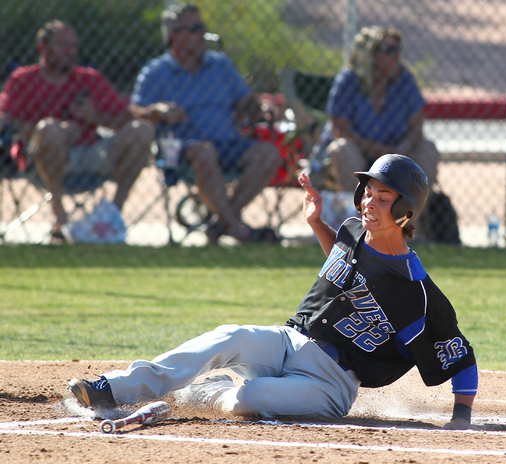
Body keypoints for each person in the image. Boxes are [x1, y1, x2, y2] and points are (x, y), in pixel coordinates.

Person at [67, 153, 478, 430]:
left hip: (331, 382)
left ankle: (204, 395)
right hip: (290, 340)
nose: (369, 201)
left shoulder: (416, 292)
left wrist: (462, 415)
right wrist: (318, 224)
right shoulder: (353, 233)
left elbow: (458, 354)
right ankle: (113, 389)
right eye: (368, 192)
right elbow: (346, 263)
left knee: (250, 397)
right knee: (231, 334)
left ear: (406, 211)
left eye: (383, 196)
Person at [128, 3, 281, 244]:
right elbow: (135, 111)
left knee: (269, 153)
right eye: (195, 28)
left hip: (229, 142)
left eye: (203, 27)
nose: (203, 34)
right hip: (184, 146)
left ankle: (221, 224)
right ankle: (238, 230)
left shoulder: (219, 64)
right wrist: (158, 110)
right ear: (174, 36)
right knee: (204, 152)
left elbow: (244, 103)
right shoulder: (157, 71)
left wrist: (260, 107)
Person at [0, 20, 154, 243]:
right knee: (50, 130)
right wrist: (50, 130)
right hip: (42, 160)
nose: (71, 52)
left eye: (74, 46)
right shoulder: (24, 79)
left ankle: (110, 216)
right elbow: (6, 116)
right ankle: (60, 220)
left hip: (90, 153)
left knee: (142, 131)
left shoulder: (89, 79)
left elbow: (125, 117)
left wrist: (95, 117)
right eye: (63, 45)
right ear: (44, 48)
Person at [323, 26, 439, 194]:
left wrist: (402, 150)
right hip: (360, 156)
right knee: (342, 149)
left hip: (398, 156)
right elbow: (340, 130)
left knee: (427, 149)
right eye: (390, 50)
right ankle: (357, 213)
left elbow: (417, 127)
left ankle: (412, 215)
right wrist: (380, 152)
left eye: (398, 49)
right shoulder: (348, 81)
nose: (397, 56)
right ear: (370, 56)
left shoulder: (404, 79)